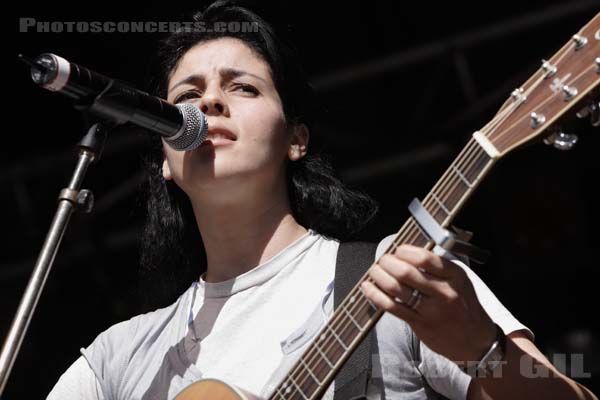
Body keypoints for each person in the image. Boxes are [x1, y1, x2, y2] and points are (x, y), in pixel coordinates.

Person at [46, 1, 597, 399]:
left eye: (242, 87)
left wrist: (482, 349)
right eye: (186, 96)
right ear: (167, 157)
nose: (209, 100)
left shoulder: (400, 278)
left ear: (295, 140)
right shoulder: (116, 362)